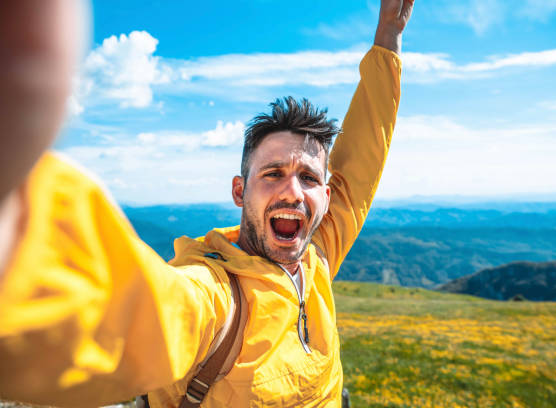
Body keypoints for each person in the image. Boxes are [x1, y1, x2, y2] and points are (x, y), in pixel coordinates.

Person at [0, 0, 415, 406]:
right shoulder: (213, 294)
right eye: (272, 174)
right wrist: (14, 247)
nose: (293, 191)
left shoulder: (318, 256)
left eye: (308, 178)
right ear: (239, 191)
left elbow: (363, 161)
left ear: (325, 199)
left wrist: (388, 38)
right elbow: (139, 316)